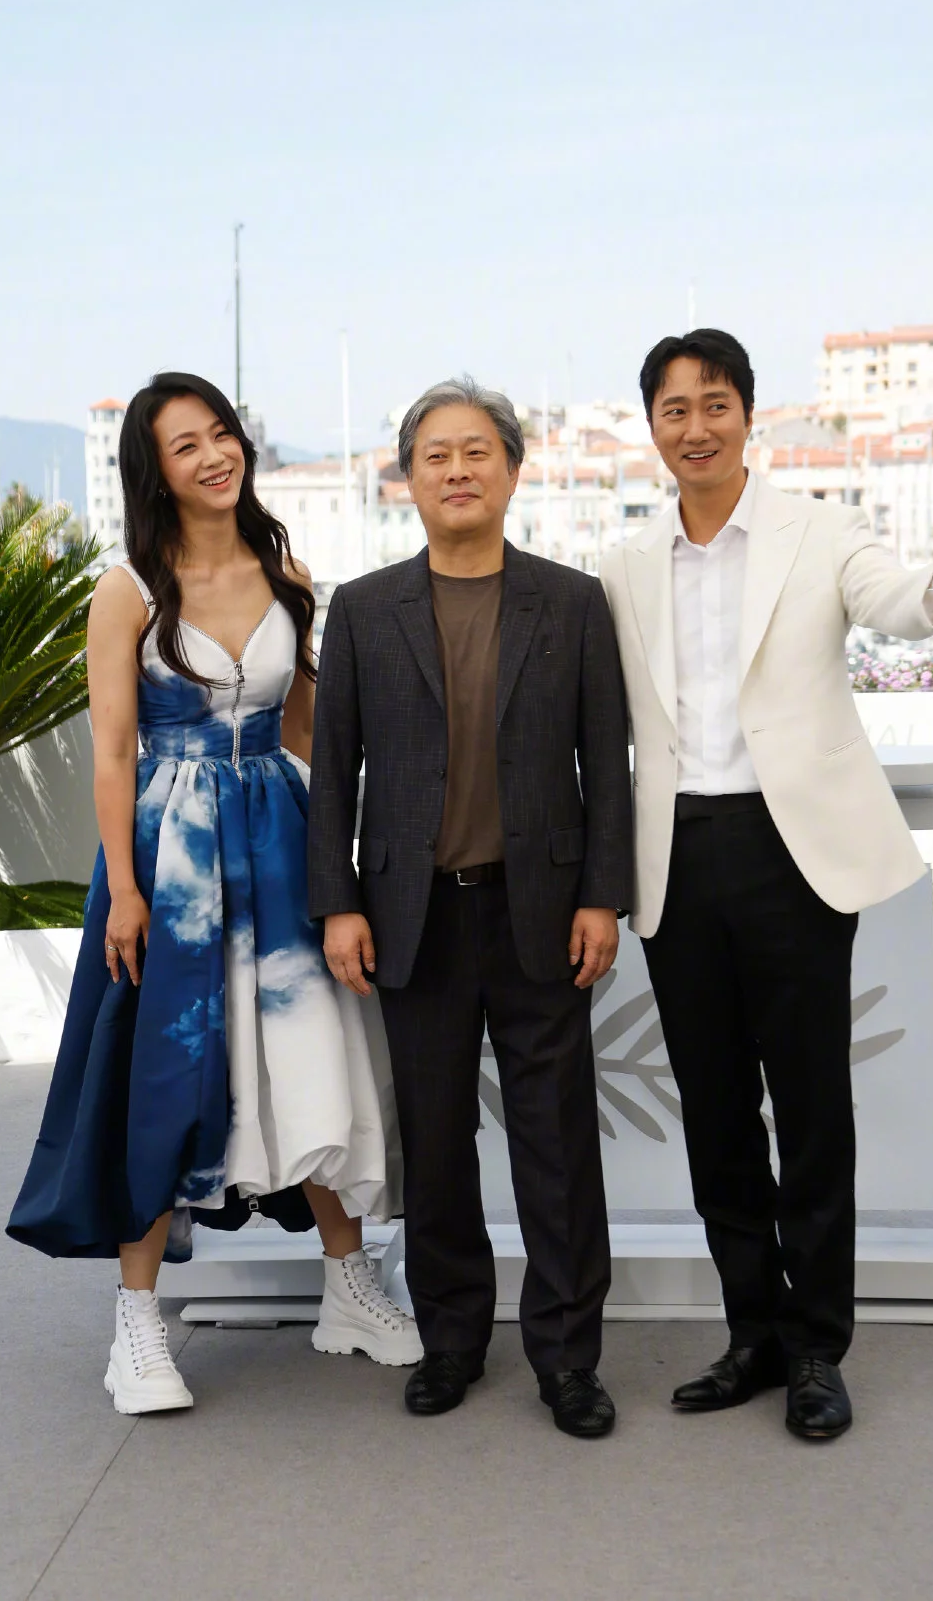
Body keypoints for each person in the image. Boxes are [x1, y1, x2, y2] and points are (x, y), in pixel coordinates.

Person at [599, 329, 933, 1442]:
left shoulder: (818, 530)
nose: (697, 427)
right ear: (652, 427)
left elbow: (897, 601)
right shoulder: (624, 563)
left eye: (716, 404)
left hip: (790, 853)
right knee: (716, 1114)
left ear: (750, 416)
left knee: (813, 1107)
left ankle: (819, 1347)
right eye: (675, 409)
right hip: (675, 856)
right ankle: (752, 1335)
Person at [8, 372, 422, 1414]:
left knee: (309, 1052)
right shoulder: (127, 590)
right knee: (162, 1075)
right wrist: (126, 890)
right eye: (184, 444)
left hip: (280, 838)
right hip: (171, 857)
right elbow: (112, 753)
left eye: (221, 432)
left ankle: (347, 1288)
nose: (212, 454)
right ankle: (136, 1324)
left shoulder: (287, 572)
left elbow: (307, 731)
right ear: (154, 471)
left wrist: (346, 860)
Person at [308, 376, 633, 1438]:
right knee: (437, 1140)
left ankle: (569, 1358)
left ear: (513, 469)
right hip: (414, 917)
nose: (457, 470)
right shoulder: (364, 610)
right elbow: (333, 771)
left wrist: (604, 895)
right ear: (407, 478)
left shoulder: (572, 602)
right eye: (436, 455)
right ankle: (451, 1337)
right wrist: (339, 903)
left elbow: (607, 765)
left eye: (476, 451)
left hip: (542, 908)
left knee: (557, 1143)